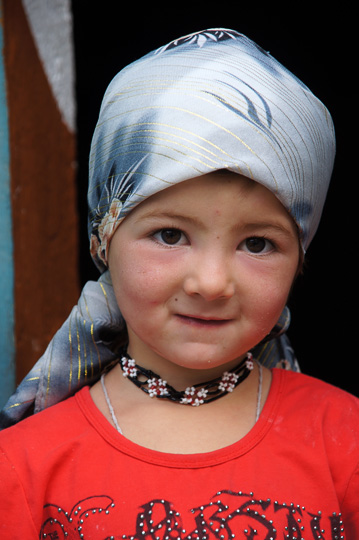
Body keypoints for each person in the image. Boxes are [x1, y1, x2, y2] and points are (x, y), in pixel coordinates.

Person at [0, 28, 358, 539]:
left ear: (300, 258)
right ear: (103, 238)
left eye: (257, 244)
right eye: (170, 234)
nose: (211, 283)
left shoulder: (345, 441)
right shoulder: (23, 467)